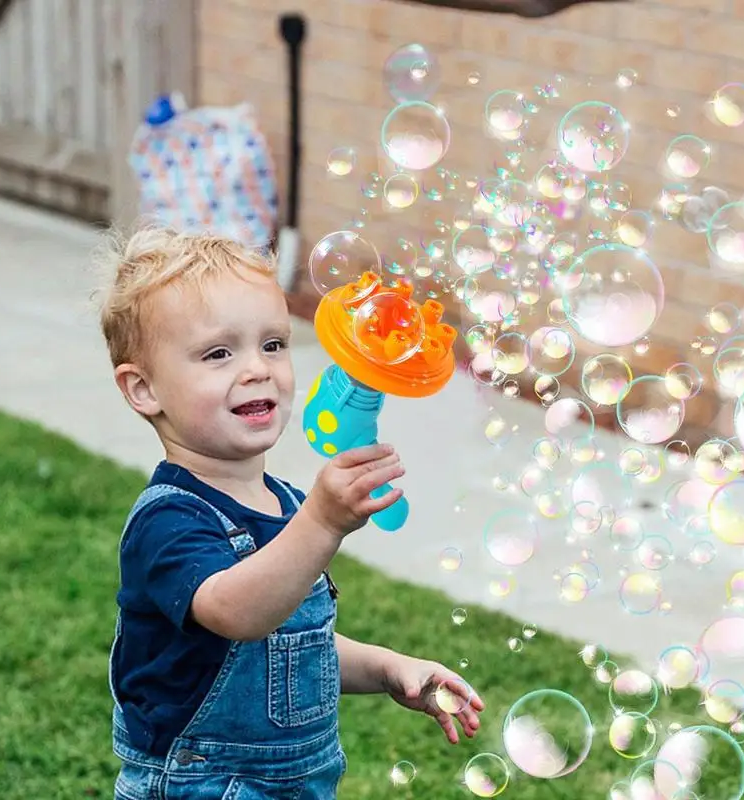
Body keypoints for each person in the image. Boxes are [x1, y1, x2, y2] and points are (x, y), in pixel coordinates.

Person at [92, 227, 485, 799]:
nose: (258, 368)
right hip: (200, 781)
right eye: (219, 353)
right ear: (144, 389)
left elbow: (290, 647)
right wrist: (322, 524)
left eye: (273, 344)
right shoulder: (168, 520)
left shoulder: (286, 503)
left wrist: (388, 667)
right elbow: (237, 613)